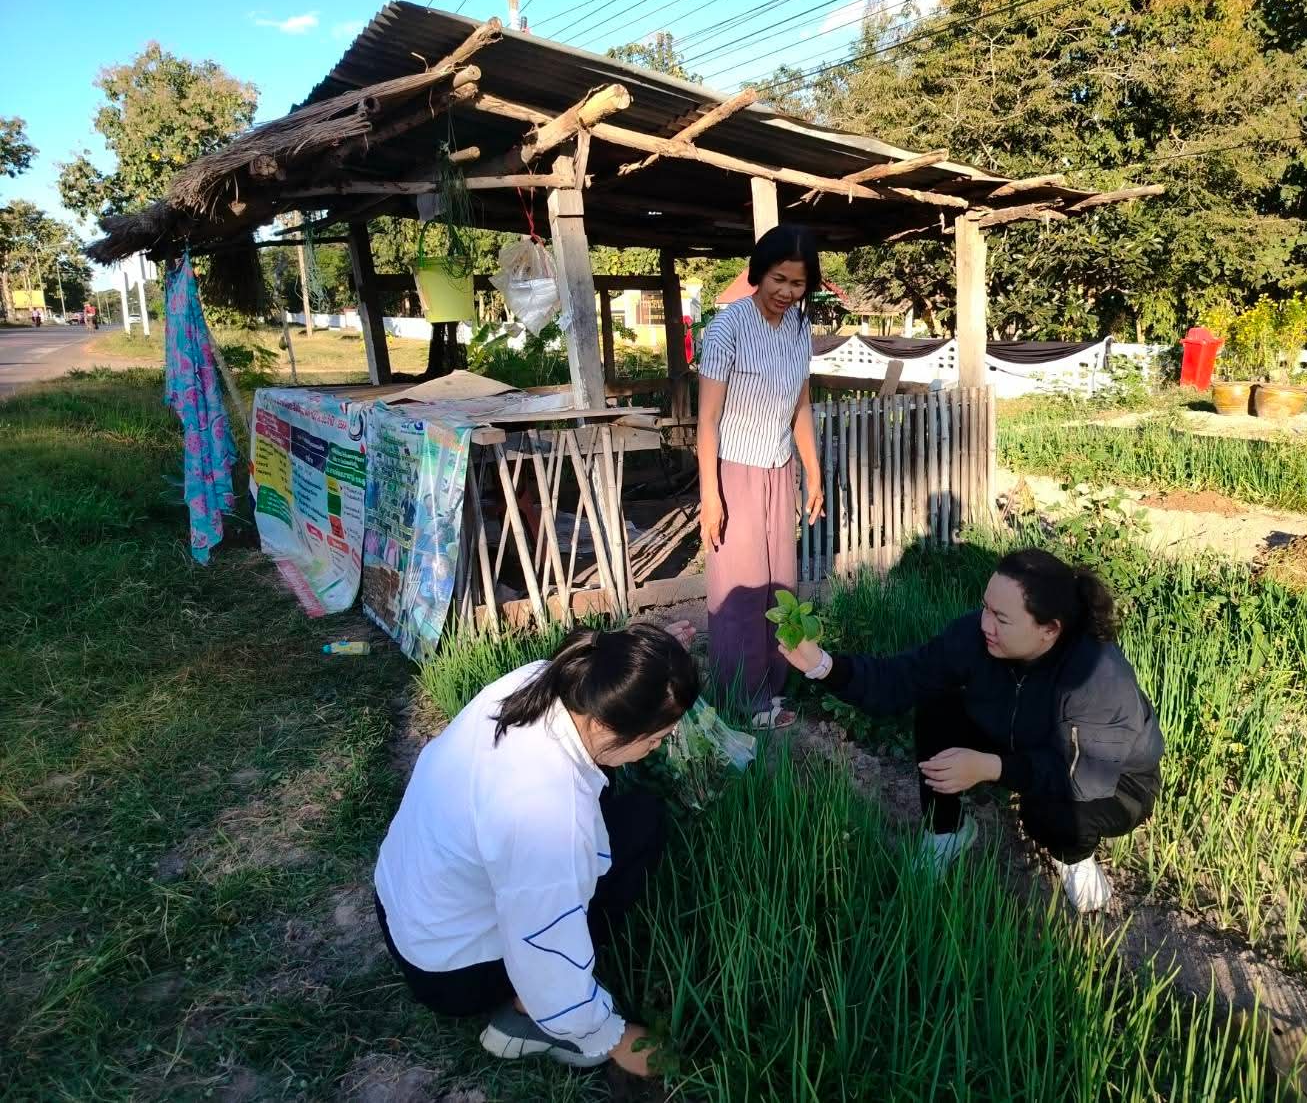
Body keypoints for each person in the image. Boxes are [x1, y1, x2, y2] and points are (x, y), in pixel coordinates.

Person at [373, 621, 700, 1076]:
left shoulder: (547, 678)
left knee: (628, 810)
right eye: (655, 738)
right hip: (448, 970)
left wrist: (648, 673)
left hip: (404, 907)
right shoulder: (549, 816)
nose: (658, 747)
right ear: (605, 721)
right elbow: (545, 950)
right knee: (643, 825)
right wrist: (613, 1037)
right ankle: (526, 1016)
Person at [779, 548, 1163, 912]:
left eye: (1002, 618)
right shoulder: (974, 638)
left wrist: (991, 767)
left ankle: (1074, 856)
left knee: (1049, 813)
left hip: (1113, 781)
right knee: (938, 709)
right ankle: (946, 832)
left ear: (1049, 629)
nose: (985, 625)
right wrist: (824, 666)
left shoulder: (1095, 674)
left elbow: (1080, 775)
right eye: (985, 608)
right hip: (1025, 741)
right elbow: (901, 679)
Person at [697, 224, 824, 729]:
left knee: (781, 586)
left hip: (779, 468)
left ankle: (776, 685)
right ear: (759, 273)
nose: (787, 292)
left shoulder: (799, 329)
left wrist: (813, 471)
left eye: (798, 283)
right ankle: (740, 698)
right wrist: (711, 495)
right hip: (735, 471)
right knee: (743, 589)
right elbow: (708, 419)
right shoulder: (725, 329)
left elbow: (801, 405)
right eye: (779, 279)